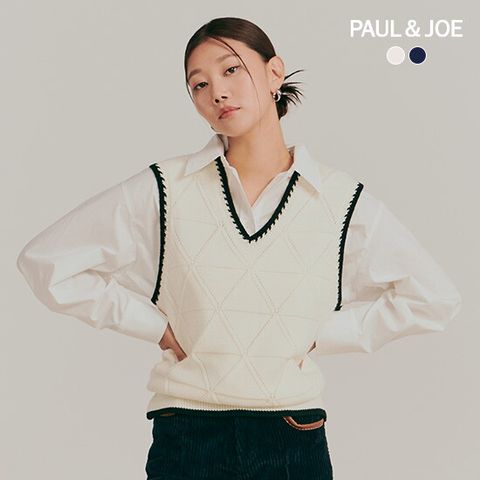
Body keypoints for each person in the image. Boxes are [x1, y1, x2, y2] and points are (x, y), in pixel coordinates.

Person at [16, 16, 462, 480]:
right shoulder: (166, 187)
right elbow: (46, 263)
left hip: (292, 434)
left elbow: (432, 299)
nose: (217, 92)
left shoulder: (340, 199)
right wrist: (153, 326)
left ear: (274, 73)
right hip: (187, 434)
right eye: (199, 84)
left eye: (231, 70)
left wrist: (320, 334)